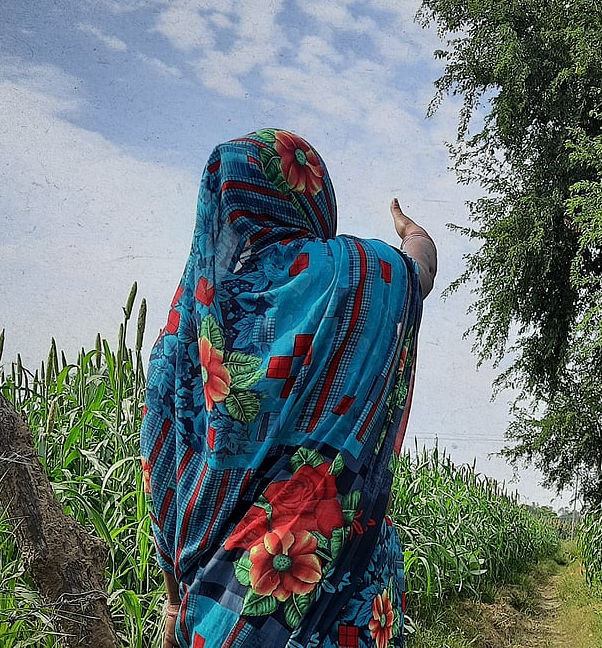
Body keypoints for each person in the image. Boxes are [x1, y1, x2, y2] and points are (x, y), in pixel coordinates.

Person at [140, 128, 437, 648]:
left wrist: (172, 600)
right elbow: (419, 270)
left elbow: (166, 485)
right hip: (346, 614)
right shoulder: (359, 277)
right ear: (316, 201)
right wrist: (414, 236)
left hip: (224, 620)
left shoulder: (183, 337)